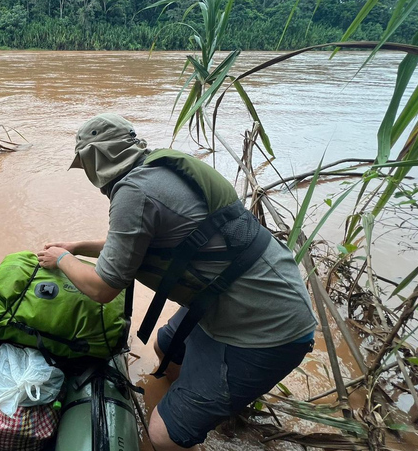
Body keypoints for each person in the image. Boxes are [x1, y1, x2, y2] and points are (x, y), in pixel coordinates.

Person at [37, 113, 317, 451]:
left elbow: (102, 287)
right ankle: (200, 409)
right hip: (258, 294)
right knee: (166, 349)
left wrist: (61, 259)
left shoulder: (134, 191)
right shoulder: (157, 172)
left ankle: (183, 426)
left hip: (266, 329)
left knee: (162, 436)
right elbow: (138, 246)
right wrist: (77, 247)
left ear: (96, 157)